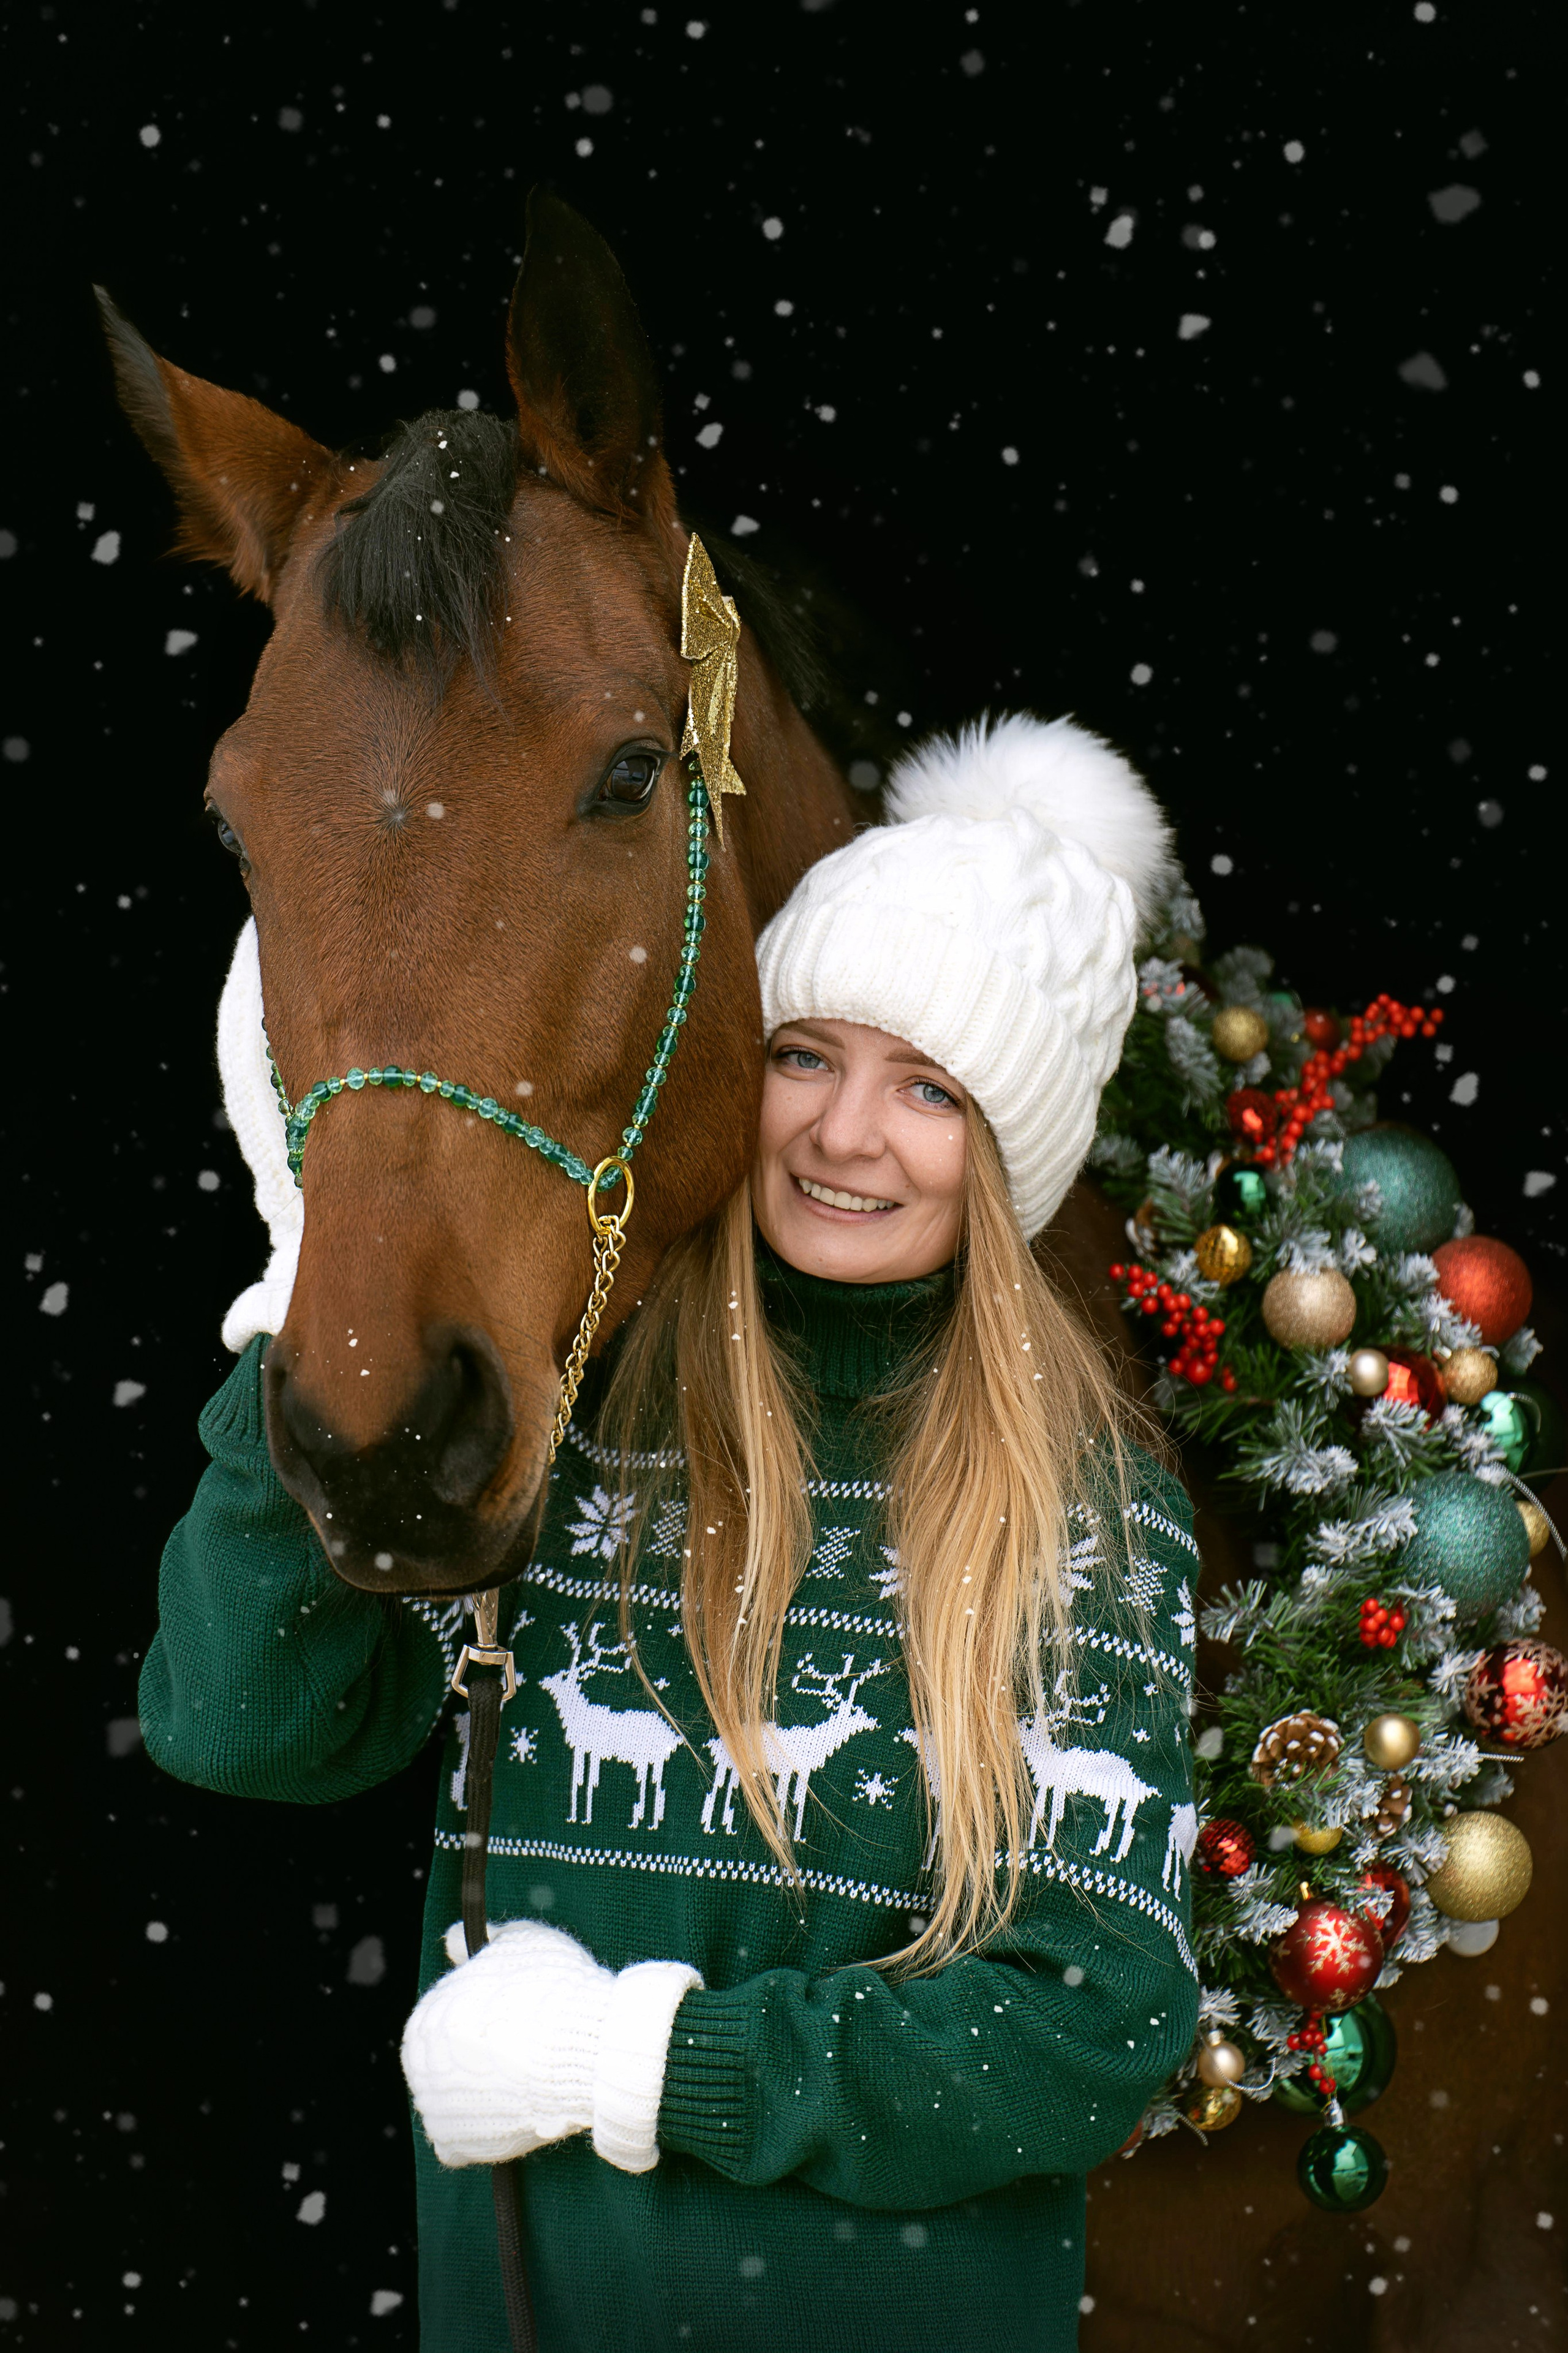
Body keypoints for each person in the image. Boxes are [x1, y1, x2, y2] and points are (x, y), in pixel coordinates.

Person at [143, 712, 1200, 2353]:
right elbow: (241, 1722)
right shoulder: (584, 1421)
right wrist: (309, 1289)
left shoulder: (1079, 1509)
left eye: (928, 1086)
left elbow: (1086, 2027)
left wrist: (645, 2065)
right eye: (805, 1054)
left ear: (1011, 1152)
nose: (849, 1133)